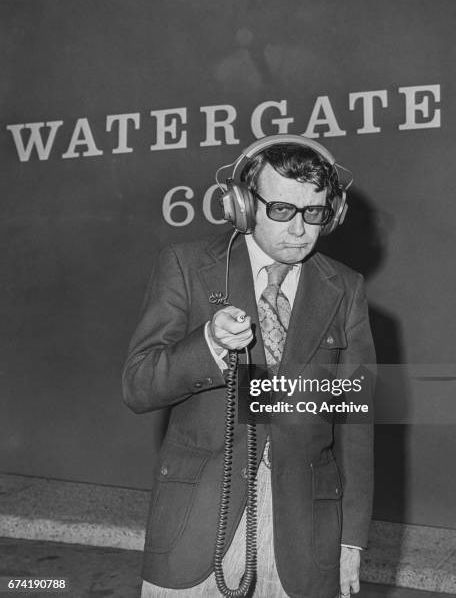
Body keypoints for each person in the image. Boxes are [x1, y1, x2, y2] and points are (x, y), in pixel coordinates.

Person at [122, 136, 376, 598]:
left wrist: (351, 538)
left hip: (305, 538)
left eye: (314, 213)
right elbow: (138, 385)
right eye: (281, 210)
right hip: (195, 529)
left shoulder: (346, 288)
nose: (299, 229)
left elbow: (355, 424)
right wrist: (209, 345)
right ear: (242, 205)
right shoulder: (186, 266)